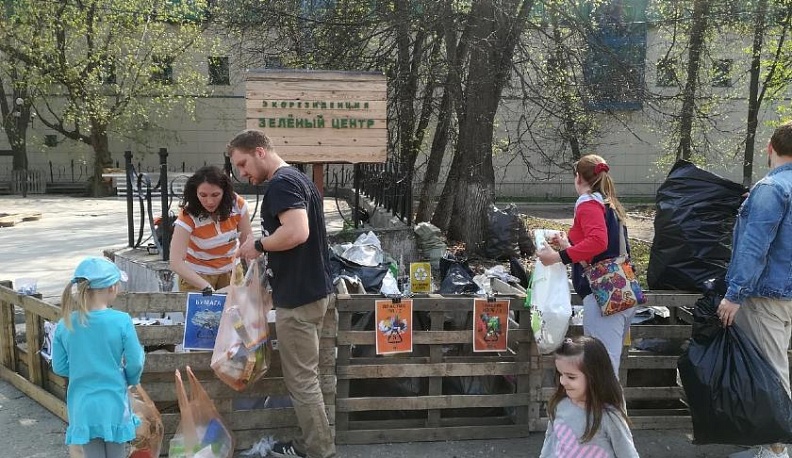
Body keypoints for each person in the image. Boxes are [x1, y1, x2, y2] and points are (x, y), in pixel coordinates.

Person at [227, 129, 335, 458]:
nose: (241, 173)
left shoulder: (281, 183)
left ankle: (319, 450)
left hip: (300, 298)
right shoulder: (297, 179)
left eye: (243, 164)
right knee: (306, 379)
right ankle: (314, 446)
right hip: (310, 291)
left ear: (260, 152)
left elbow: (297, 231)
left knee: (302, 381)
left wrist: (257, 245)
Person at [718, 121, 792, 458]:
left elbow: (754, 248)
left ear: (769, 148)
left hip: (765, 296)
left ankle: (776, 449)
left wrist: (734, 294)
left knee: (770, 372)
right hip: (787, 295)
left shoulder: (772, 188)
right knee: (776, 365)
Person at [537, 154, 636, 375]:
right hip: (622, 289)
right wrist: (567, 245)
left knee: (603, 371)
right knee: (606, 367)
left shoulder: (588, 202)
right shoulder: (607, 203)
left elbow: (597, 242)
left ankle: (607, 410)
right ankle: (608, 409)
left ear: (578, 178)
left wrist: (557, 257)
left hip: (603, 294)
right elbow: (603, 246)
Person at [52, 256, 145, 458]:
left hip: (82, 404)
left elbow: (59, 367)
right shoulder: (121, 321)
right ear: (112, 288)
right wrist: (131, 380)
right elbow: (135, 361)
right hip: (114, 402)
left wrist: (82, 369)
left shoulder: (65, 323)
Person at [540, 336, 639, 458]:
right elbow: (550, 441)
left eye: (571, 377)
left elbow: (627, 452)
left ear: (594, 376)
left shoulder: (609, 416)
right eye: (560, 374)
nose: (562, 381)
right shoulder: (560, 405)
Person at [169, 165, 253, 292]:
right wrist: (205, 286)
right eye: (203, 195)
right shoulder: (188, 215)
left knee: (234, 311)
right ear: (195, 193)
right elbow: (175, 262)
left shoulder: (237, 205)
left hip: (232, 273)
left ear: (224, 192)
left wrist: (254, 275)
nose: (209, 201)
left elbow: (248, 245)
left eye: (215, 195)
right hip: (197, 276)